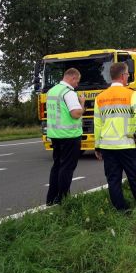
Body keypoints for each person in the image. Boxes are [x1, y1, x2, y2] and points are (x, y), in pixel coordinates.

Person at [94, 62, 136, 216]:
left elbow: (97, 124)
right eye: (128, 74)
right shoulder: (131, 94)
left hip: (108, 147)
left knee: (113, 181)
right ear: (122, 76)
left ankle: (121, 211)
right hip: (127, 145)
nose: (128, 76)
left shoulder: (100, 97)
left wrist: (97, 146)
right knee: (135, 179)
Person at [46, 68, 85, 206]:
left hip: (55, 135)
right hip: (69, 135)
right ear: (73, 78)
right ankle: (63, 198)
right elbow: (75, 113)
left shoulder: (52, 91)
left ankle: (51, 198)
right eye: (77, 81)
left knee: (57, 166)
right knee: (67, 168)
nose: (77, 85)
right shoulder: (68, 93)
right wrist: (82, 103)